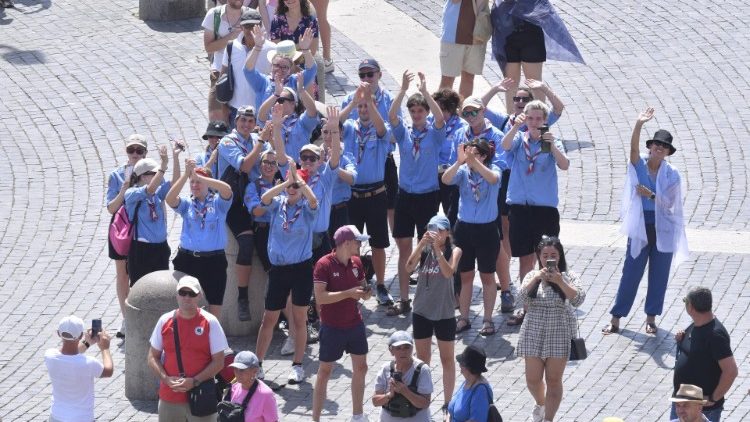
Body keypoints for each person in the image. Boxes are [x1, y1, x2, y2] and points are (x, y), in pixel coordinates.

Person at [603, 107, 689, 335]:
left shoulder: (672, 173)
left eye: (664, 147)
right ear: (650, 147)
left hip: (663, 227)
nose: (659, 148)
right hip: (641, 225)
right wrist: (639, 124)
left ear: (667, 152)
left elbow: (670, 203)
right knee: (631, 272)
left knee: (659, 275)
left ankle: (651, 318)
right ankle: (616, 318)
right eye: (656, 145)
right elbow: (632, 150)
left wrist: (650, 195)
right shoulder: (640, 164)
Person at [386, 70, 446, 317]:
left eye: (420, 111)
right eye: (413, 111)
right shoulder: (405, 134)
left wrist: (425, 93)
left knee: (426, 248)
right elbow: (392, 116)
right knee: (403, 248)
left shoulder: (434, 133)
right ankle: (403, 299)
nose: (417, 115)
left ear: (426, 113)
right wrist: (402, 90)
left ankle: (425, 296)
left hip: (427, 196)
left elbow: (441, 118)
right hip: (405, 195)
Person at [449, 95, 514, 314]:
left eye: (474, 112)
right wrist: (465, 163)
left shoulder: (495, 134)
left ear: (483, 111)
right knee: (462, 248)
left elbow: (502, 165)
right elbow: (453, 164)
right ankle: (460, 299)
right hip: (466, 188)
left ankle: (506, 289)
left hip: (491, 189)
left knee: (497, 248)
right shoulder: (461, 133)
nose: (470, 116)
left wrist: (477, 161)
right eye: (466, 113)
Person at [254, 167, 318, 384]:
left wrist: (300, 181)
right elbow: (264, 198)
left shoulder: (307, 207)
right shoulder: (277, 204)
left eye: (296, 185)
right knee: (269, 318)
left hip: (300, 268)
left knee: (299, 318)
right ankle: (258, 364)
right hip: (279, 269)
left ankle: (298, 365)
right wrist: (285, 182)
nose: (292, 188)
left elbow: (313, 201)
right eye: (290, 185)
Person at [501, 100, 569, 305]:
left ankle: (549, 298)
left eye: (538, 118)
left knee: (548, 258)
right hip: (520, 208)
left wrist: (552, 145)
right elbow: (504, 145)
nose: (534, 122)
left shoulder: (551, 142)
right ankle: (526, 304)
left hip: (544, 210)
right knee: (524, 258)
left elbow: (564, 164)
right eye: (530, 118)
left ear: (545, 120)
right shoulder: (519, 140)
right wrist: (514, 126)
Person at [517, 236, 585, 422]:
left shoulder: (569, 277)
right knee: (532, 379)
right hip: (534, 331)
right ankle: (540, 403)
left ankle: (548, 418)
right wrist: (537, 278)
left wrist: (560, 282)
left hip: (559, 332)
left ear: (560, 256)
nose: (549, 258)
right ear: (539, 256)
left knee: (554, 380)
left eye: (553, 255)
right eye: (545, 254)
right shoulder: (532, 276)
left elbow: (578, 299)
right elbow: (521, 297)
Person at [312, 225, 372, 422]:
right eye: (358, 241)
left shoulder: (356, 262)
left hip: (354, 323)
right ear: (346, 243)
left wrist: (366, 293)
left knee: (361, 368)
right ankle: (316, 418)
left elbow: (363, 290)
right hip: (332, 327)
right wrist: (348, 293)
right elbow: (320, 298)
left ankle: (357, 415)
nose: (361, 244)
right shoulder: (323, 264)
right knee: (325, 371)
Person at [147, 277, 229, 422]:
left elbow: (219, 362)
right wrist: (165, 379)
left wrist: (195, 381)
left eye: (191, 293)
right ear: (177, 295)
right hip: (169, 398)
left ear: (199, 296)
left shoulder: (210, 322)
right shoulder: (164, 321)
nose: (186, 297)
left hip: (202, 396)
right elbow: (152, 356)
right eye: (182, 293)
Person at [442, 139, 501, 335]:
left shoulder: (493, 169)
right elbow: (446, 179)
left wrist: (475, 162)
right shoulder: (463, 171)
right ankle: (464, 318)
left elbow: (493, 179)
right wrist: (459, 162)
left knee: (487, 276)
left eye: (474, 153)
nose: (469, 157)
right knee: (465, 275)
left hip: (487, 230)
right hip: (464, 229)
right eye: (468, 153)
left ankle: (488, 319)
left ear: (483, 155)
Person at [341, 81, 392, 306]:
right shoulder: (350, 127)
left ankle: (380, 285)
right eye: (360, 107)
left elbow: (382, 129)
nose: (363, 111)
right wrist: (353, 101)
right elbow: (336, 124)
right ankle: (353, 284)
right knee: (352, 245)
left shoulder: (381, 127)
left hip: (375, 194)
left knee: (378, 243)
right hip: (352, 195)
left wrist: (370, 102)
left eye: (366, 107)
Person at [217, 105, 269, 321]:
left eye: (250, 121)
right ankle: (242, 298)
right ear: (235, 121)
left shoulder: (257, 139)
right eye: (243, 120)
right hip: (233, 202)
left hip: (254, 195)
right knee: (246, 243)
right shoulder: (228, 142)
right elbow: (245, 167)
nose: (246, 125)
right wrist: (260, 143)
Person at [404, 214, 461, 410]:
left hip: (444, 312)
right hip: (421, 310)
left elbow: (448, 272)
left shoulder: (455, 251)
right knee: (422, 359)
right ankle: (423, 400)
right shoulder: (424, 249)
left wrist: (437, 250)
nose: (435, 234)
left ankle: (448, 402)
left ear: (447, 233)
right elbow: (408, 268)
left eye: (439, 231)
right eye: (432, 230)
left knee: (447, 358)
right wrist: (420, 246)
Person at [340, 58, 401, 237]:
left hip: (383, 158)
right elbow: (336, 127)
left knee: (391, 209)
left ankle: (398, 247)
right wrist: (355, 102)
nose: (366, 78)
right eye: (362, 75)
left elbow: (395, 135)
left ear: (379, 75)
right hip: (355, 162)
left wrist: (375, 123)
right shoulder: (349, 99)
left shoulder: (389, 99)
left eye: (370, 74)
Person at [166, 159, 233, 317]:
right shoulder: (188, 203)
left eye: (199, 182)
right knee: (186, 306)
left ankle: (210, 339)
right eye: (193, 182)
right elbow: (169, 199)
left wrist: (202, 177)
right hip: (188, 259)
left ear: (208, 183)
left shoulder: (218, 204)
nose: (195, 185)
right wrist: (185, 176)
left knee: (214, 306)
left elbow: (227, 189)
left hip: (214, 261)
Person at [490, 0, 584, 112]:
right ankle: (510, 121)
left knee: (534, 82)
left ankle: (540, 122)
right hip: (506, 31)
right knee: (510, 82)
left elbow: (543, 9)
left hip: (530, 33)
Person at [671, 287, 737, 422]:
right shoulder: (697, 324)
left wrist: (713, 398)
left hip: (701, 410)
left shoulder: (715, 335)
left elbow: (731, 371)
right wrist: (681, 340)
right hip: (681, 404)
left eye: (685, 301)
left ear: (691, 307)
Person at [105, 134, 147, 338]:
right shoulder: (116, 175)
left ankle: (141, 315)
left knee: (141, 273)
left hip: (143, 228)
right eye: (132, 150)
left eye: (139, 151)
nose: (135, 155)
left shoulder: (150, 172)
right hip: (121, 228)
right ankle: (126, 319)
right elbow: (111, 207)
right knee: (122, 274)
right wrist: (125, 186)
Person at [124, 143, 182, 285]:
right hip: (141, 250)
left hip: (161, 248)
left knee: (160, 291)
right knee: (140, 290)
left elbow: (175, 182)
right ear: (142, 176)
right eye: (154, 173)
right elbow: (148, 190)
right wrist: (162, 166)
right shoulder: (131, 193)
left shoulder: (157, 193)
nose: (159, 176)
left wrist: (175, 157)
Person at [45, 316, 113, 422]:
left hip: (56, 417)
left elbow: (69, 355)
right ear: (81, 335)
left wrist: (87, 343)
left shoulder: (49, 356)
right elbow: (108, 371)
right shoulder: (89, 363)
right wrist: (105, 348)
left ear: (59, 334)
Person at [221, 8, 276, 126]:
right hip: (236, 108)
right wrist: (223, 106)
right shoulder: (231, 47)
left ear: (261, 26)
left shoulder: (272, 48)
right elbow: (224, 75)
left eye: (255, 26)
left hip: (262, 109)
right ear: (241, 27)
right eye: (247, 26)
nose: (251, 30)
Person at [244, 25, 317, 112]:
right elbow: (248, 70)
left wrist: (305, 50)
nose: (279, 69)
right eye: (276, 65)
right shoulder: (262, 82)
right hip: (267, 125)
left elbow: (311, 70)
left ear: (290, 69)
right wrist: (257, 47)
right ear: (271, 65)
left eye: (284, 67)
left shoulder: (295, 81)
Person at [372, 331, 433, 422]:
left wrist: (405, 391)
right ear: (391, 350)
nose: (403, 351)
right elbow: (375, 401)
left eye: (406, 347)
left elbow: (425, 403)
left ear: (412, 349)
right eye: (398, 348)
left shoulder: (422, 370)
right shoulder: (385, 369)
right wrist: (389, 395)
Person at [244, 149, 288, 273]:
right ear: (260, 165)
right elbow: (256, 211)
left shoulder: (282, 186)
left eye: (273, 163)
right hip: (264, 231)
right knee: (273, 271)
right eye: (266, 162)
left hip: (282, 231)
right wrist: (272, 197)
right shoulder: (253, 186)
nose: (269, 166)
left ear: (278, 167)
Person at [202, 0, 246, 122]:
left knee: (244, 117)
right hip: (220, 73)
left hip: (244, 72)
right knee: (216, 119)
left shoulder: (250, 15)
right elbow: (209, 47)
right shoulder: (214, 14)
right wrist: (231, 37)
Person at [439, 0, 490, 98]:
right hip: (453, 34)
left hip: (477, 33)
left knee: (469, 77)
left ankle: (464, 111)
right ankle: (442, 111)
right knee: (448, 79)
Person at [432, 88, 467, 226]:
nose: (437, 112)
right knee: (429, 217)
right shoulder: (429, 122)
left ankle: (450, 246)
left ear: (451, 108)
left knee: (451, 216)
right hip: (432, 177)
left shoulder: (462, 126)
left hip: (451, 177)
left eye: (441, 109)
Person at [226, 351, 279, 422]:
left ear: (255, 371)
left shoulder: (265, 395)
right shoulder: (233, 388)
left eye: (241, 370)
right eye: (235, 369)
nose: (237, 373)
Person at [446, 346, 494, 422]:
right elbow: (451, 409)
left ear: (468, 367)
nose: (459, 365)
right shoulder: (466, 382)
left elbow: (476, 420)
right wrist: (448, 418)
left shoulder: (480, 391)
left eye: (461, 363)